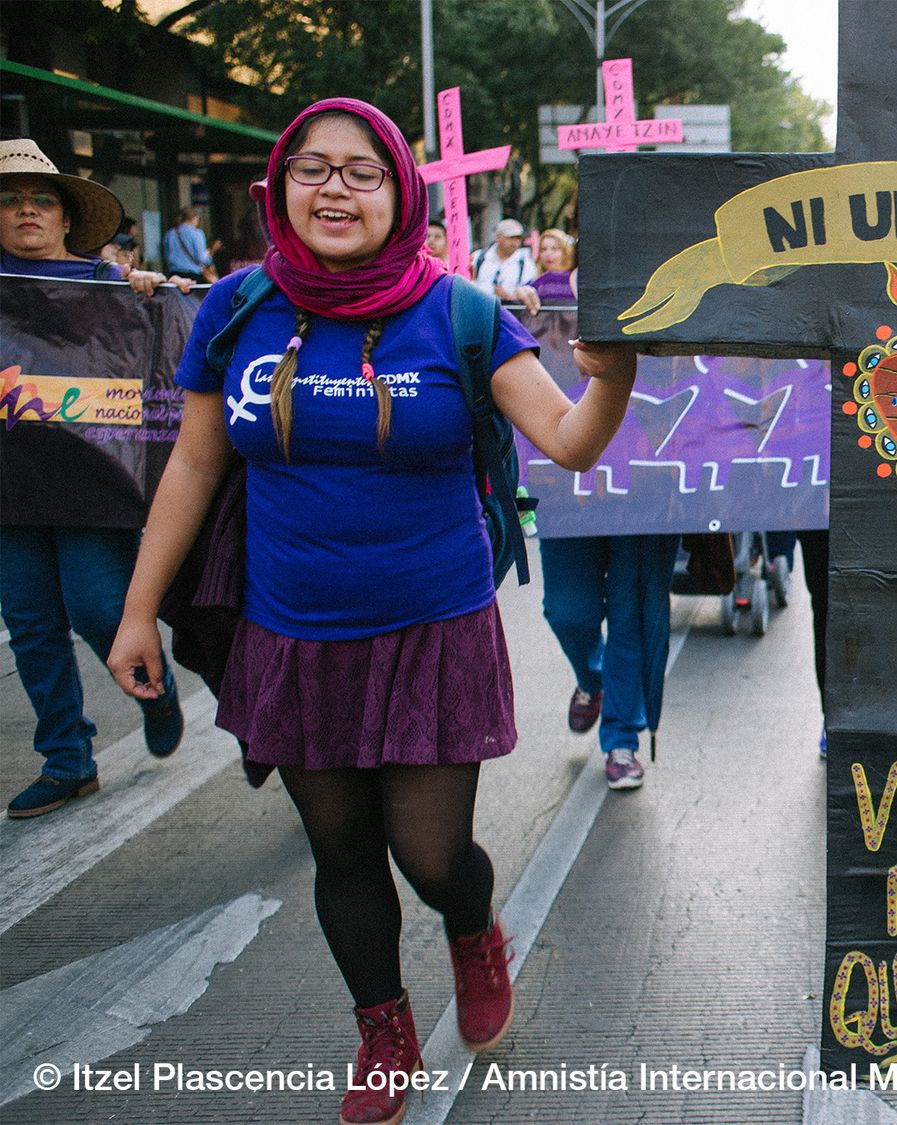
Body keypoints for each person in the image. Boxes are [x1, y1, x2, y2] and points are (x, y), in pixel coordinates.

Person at [102, 98, 638, 1125]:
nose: (334, 188)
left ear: (400, 193)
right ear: (278, 187)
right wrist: (136, 613)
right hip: (293, 634)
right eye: (311, 168)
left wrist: (611, 380)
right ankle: (381, 1028)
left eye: (361, 171)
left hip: (434, 629)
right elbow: (195, 464)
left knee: (434, 859)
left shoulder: (464, 312)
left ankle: (472, 929)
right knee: (342, 852)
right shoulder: (234, 306)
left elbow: (569, 443)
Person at [1, 139, 191, 819]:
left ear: (63, 217)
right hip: (8, 489)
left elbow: (165, 337)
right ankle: (67, 758)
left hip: (91, 482)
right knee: (29, 622)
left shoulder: (107, 285)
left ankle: (156, 685)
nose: (25, 210)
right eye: (10, 199)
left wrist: (145, 290)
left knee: (98, 607)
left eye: (39, 199)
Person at [538, 525, 680, 789]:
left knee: (632, 615)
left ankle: (621, 739)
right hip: (568, 502)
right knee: (567, 613)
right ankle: (591, 681)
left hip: (643, 502)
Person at [472, 217, 535, 303]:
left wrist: (509, 297)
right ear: (498, 237)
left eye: (518, 238)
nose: (514, 243)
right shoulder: (478, 257)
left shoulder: (526, 264)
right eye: (510, 238)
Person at [517, 228, 576, 315]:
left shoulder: (576, 279)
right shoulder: (537, 281)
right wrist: (520, 292)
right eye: (543, 249)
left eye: (554, 249)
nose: (548, 253)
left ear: (566, 252)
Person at [164, 205, 217, 282]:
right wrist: (208, 255)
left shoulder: (170, 234)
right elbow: (201, 258)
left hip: (174, 275)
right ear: (194, 218)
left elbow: (167, 256)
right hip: (193, 275)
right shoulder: (197, 233)